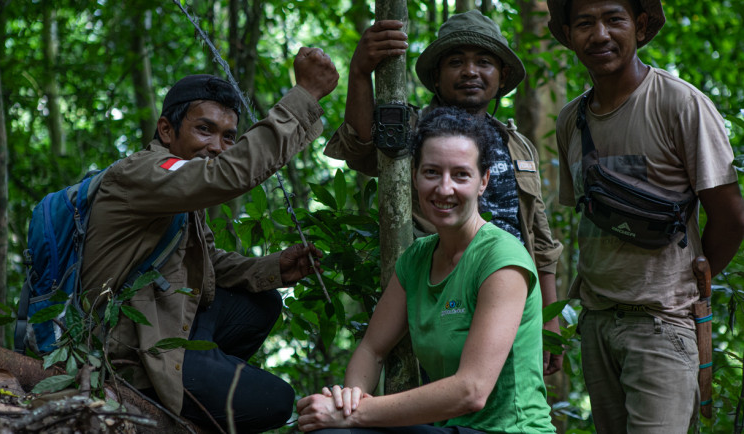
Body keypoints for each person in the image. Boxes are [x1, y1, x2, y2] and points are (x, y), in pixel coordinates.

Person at [80, 47, 339, 432]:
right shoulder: (144, 171)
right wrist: (303, 96)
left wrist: (272, 268)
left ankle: (195, 385)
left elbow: (203, 262)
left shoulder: (177, 186)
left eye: (228, 136)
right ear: (167, 130)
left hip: (168, 324)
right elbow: (225, 175)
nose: (217, 146)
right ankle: (157, 390)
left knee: (262, 303)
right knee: (279, 402)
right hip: (128, 348)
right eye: (205, 129)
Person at [324, 10, 565, 375]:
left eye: (484, 62)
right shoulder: (413, 132)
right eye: (456, 62)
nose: (470, 71)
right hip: (439, 301)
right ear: (437, 78)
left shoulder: (517, 145)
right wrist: (360, 73)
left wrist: (549, 319)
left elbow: (541, 241)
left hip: (511, 302)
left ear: (501, 79)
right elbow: (361, 148)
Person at [546, 0, 744, 431]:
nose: (599, 34)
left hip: (662, 326)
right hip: (597, 324)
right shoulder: (570, 121)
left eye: (613, 19)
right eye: (584, 23)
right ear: (570, 35)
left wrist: (688, 286)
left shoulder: (680, 104)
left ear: (638, 25)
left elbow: (730, 219)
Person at [296, 106, 555, 433]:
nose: (444, 188)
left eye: (461, 174)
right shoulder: (417, 258)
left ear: (483, 181)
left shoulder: (501, 258)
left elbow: (472, 390)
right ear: (414, 175)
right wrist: (351, 400)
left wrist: (356, 415)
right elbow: (372, 349)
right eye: (432, 172)